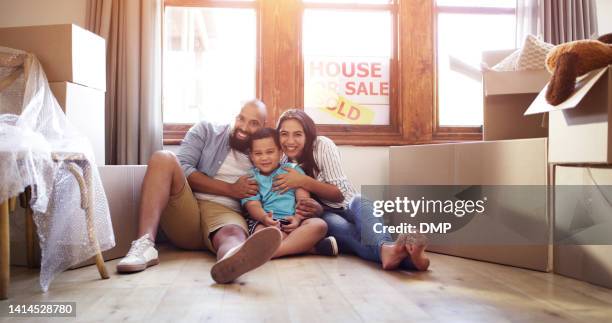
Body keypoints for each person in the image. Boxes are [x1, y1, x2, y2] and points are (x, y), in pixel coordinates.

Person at [116, 100, 322, 284]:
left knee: (233, 235)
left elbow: (290, 189)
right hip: (186, 206)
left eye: (253, 123)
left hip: (224, 213)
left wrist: (305, 210)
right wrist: (231, 189)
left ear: (263, 127)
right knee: (163, 157)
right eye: (241, 118)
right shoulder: (206, 131)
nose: (243, 127)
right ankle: (144, 246)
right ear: (235, 116)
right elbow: (184, 167)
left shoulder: (267, 154)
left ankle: (231, 263)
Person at [272, 109, 430, 271]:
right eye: (284, 134)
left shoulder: (322, 145)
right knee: (351, 234)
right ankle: (409, 259)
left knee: (360, 201)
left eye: (297, 134)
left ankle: (391, 251)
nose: (290, 140)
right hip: (325, 214)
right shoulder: (281, 162)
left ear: (308, 134)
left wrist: (303, 181)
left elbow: (339, 195)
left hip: (348, 204)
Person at [241, 127, 337, 258]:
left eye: (270, 152)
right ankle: (306, 246)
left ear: (281, 153)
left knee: (319, 225)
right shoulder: (251, 178)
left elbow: (304, 201)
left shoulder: (292, 170)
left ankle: (271, 252)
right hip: (266, 222)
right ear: (251, 156)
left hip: (294, 221)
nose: (264, 158)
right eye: (258, 154)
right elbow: (253, 205)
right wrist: (264, 218)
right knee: (265, 234)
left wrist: (297, 218)